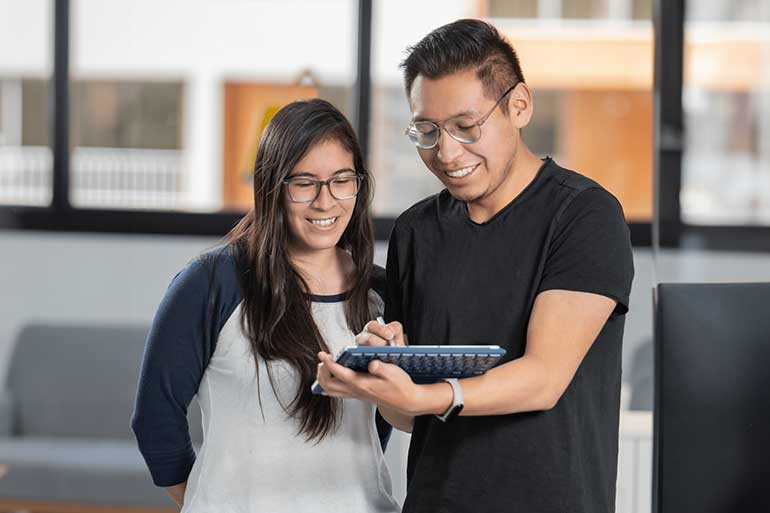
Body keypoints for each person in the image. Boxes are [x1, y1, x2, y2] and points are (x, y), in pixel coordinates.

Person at [315, 19, 635, 513]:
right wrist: (382, 379)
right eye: (426, 131)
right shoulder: (416, 231)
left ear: (519, 105)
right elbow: (410, 418)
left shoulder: (584, 215)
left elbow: (543, 378)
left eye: (466, 127)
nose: (446, 153)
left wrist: (425, 397)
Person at [131, 98, 401, 513]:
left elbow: (383, 420)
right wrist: (209, 500)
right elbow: (155, 417)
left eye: (341, 180)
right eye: (304, 183)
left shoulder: (380, 292)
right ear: (272, 187)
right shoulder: (212, 282)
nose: (325, 201)